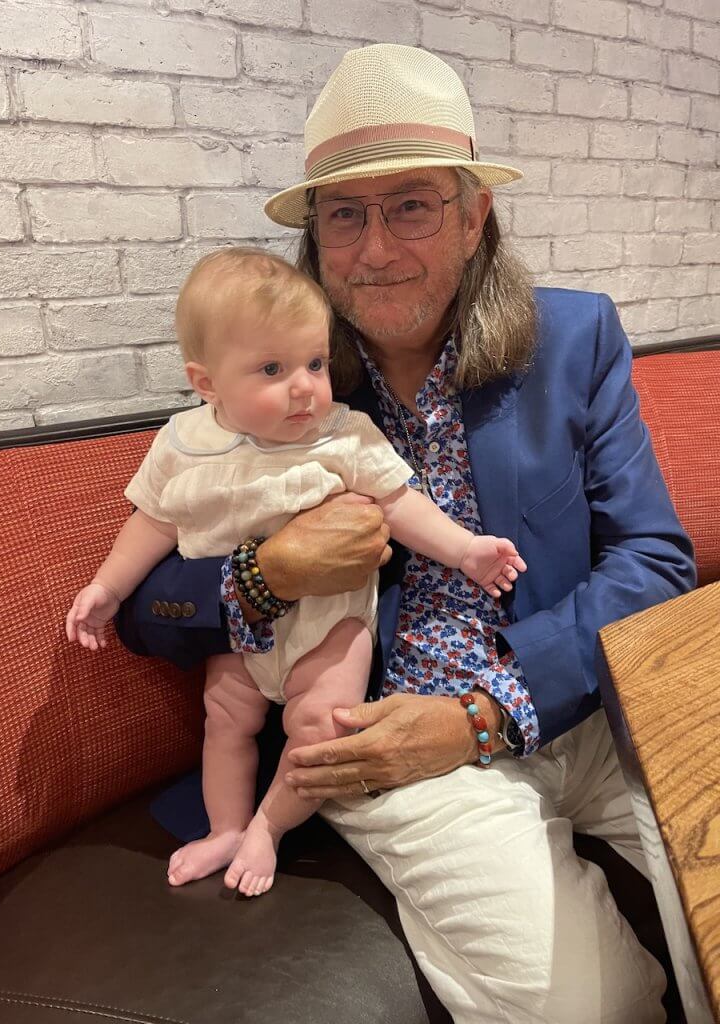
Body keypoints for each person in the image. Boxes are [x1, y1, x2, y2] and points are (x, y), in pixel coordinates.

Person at [114, 43, 696, 1024]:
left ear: (474, 218)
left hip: (583, 700)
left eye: (412, 205)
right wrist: (263, 574)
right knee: (589, 1007)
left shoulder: (577, 339)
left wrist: (490, 707)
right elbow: (142, 605)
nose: (376, 248)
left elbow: (653, 558)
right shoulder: (276, 378)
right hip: (383, 734)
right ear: (316, 240)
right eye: (346, 213)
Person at [66, 247, 526, 897]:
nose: (306, 386)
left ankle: (269, 827)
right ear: (206, 384)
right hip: (244, 634)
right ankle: (225, 826)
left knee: (321, 729)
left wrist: (464, 550)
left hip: (331, 625)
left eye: (314, 362)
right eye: (273, 369)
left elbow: (399, 504)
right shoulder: (182, 445)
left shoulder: (345, 434)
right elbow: (154, 523)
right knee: (225, 719)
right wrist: (107, 587)